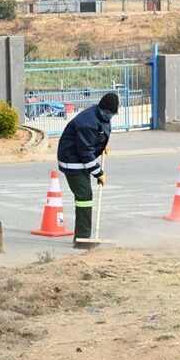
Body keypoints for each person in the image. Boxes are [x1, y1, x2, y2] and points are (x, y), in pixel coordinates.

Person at [56, 92, 118, 248]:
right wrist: (98, 173)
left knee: (85, 195)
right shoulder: (87, 122)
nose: (109, 116)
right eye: (107, 112)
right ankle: (82, 239)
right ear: (101, 108)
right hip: (72, 161)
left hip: (80, 158)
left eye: (112, 113)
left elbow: (96, 136)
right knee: (84, 197)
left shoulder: (100, 116)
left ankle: (82, 236)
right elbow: (85, 152)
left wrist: (102, 145)